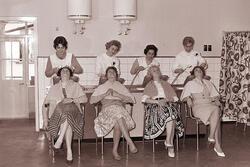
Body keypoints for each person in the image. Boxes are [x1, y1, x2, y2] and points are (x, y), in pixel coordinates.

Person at [90, 66, 137, 160]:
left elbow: (132, 100)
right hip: (106, 112)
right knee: (118, 113)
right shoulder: (102, 87)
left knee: (118, 122)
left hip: (119, 111)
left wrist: (118, 95)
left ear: (116, 75)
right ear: (106, 76)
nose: (112, 74)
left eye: (113, 72)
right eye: (109, 72)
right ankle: (130, 142)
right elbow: (91, 100)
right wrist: (105, 94)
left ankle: (115, 151)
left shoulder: (120, 86)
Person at [42, 66, 87, 164]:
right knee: (67, 118)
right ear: (59, 74)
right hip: (58, 114)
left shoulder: (76, 85)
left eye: (67, 71)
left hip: (74, 113)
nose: (65, 72)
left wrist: (72, 100)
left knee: (68, 110)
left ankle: (60, 140)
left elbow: (84, 99)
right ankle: (69, 151)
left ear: (71, 74)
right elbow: (45, 104)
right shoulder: (54, 88)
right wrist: (45, 120)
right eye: (63, 71)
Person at [180, 66, 225, 157]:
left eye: (200, 70)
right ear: (193, 74)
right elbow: (183, 97)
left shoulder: (209, 83)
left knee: (216, 110)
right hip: (198, 106)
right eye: (196, 70)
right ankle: (213, 140)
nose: (198, 71)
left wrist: (216, 99)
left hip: (209, 104)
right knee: (216, 112)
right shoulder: (190, 83)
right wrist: (188, 98)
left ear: (203, 73)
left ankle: (216, 143)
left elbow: (215, 95)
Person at [142, 65, 184, 158]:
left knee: (171, 112)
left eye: (157, 70)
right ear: (150, 74)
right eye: (153, 71)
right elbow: (145, 99)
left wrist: (167, 100)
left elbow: (175, 98)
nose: (156, 71)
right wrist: (157, 102)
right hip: (154, 105)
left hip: (167, 103)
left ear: (160, 72)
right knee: (171, 113)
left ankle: (169, 141)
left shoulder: (166, 84)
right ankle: (170, 144)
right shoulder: (149, 85)